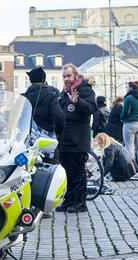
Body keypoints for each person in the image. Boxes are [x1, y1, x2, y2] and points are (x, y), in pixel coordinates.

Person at [55, 64, 97, 213]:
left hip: (78, 138)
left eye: (68, 76)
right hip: (64, 138)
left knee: (77, 171)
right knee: (66, 172)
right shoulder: (64, 91)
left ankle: (80, 202)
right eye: (64, 76)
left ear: (75, 75)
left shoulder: (85, 89)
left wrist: (77, 102)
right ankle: (69, 199)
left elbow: (92, 108)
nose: (66, 79)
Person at [24, 67, 65, 161]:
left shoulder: (24, 97)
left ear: (30, 80)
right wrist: (58, 132)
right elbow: (59, 117)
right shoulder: (51, 96)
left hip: (28, 141)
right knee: (50, 167)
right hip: (47, 140)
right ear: (44, 80)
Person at [120, 81, 138, 172]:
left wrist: (122, 118)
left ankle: (132, 168)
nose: (126, 89)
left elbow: (125, 112)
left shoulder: (129, 98)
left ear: (130, 88)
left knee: (129, 146)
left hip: (130, 124)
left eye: (127, 87)